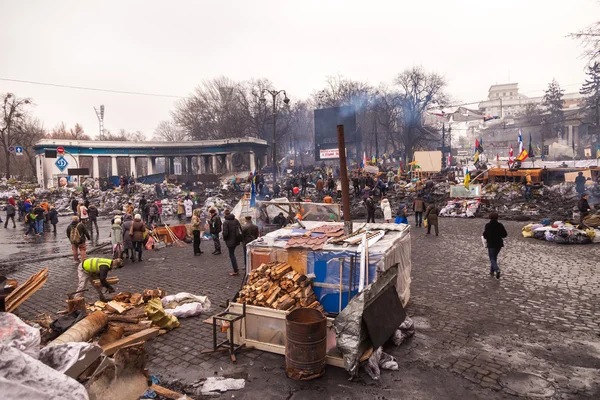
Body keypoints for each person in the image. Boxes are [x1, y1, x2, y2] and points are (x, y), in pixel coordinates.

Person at [483, 212, 508, 279]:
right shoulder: (500, 225)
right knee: (494, 257)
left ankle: (497, 269)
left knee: (492, 258)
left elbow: (485, 235)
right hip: (499, 244)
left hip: (491, 243)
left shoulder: (488, 225)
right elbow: (504, 234)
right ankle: (492, 271)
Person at [222, 209, 242, 276]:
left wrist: (225, 239)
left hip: (230, 240)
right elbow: (240, 229)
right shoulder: (236, 220)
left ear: (225, 214)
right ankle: (236, 268)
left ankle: (235, 270)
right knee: (232, 254)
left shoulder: (226, 222)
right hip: (236, 239)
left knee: (231, 255)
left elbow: (225, 233)